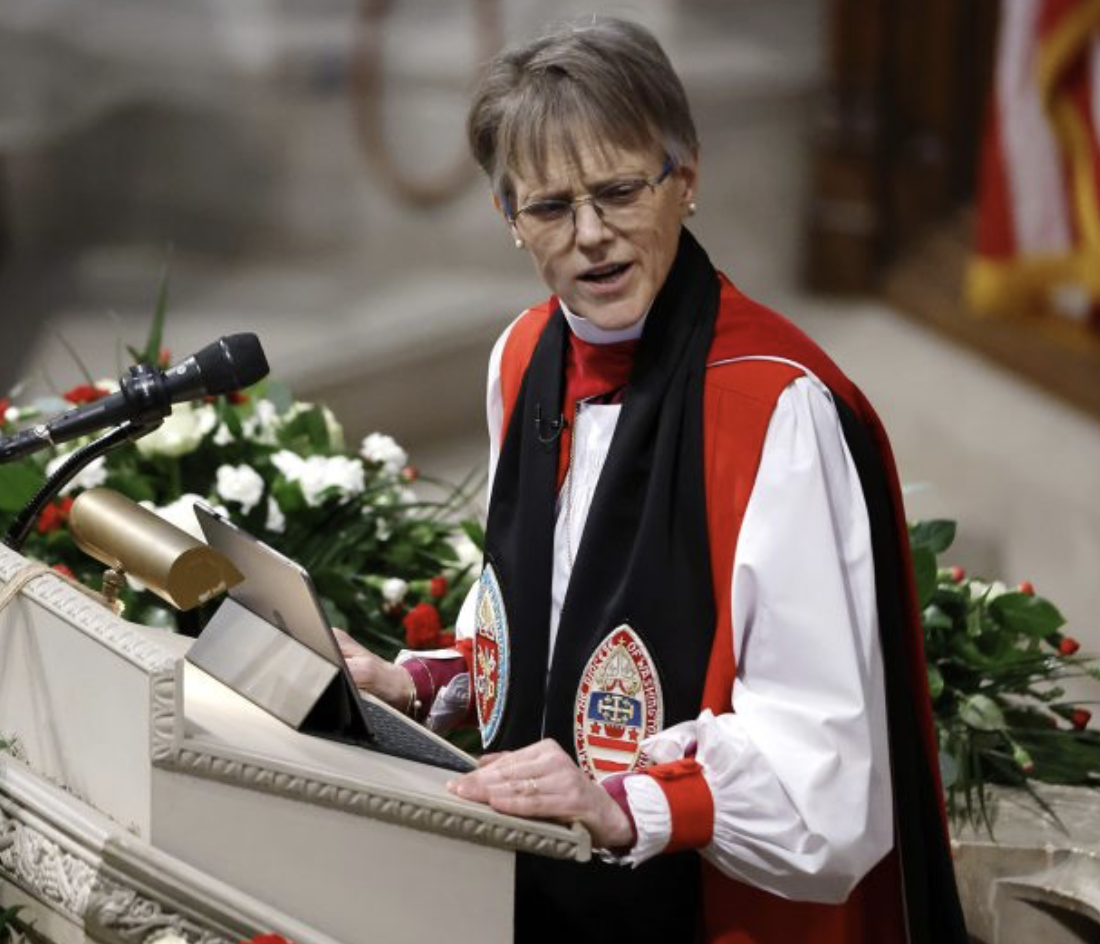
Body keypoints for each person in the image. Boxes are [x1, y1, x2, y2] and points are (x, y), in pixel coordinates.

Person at [335, 16, 967, 944]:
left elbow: (823, 770)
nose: (592, 237)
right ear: (509, 220)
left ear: (687, 179)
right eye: (551, 207)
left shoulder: (773, 412)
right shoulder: (523, 358)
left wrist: (624, 803)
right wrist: (418, 677)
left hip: (711, 908)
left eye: (621, 190)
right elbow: (548, 605)